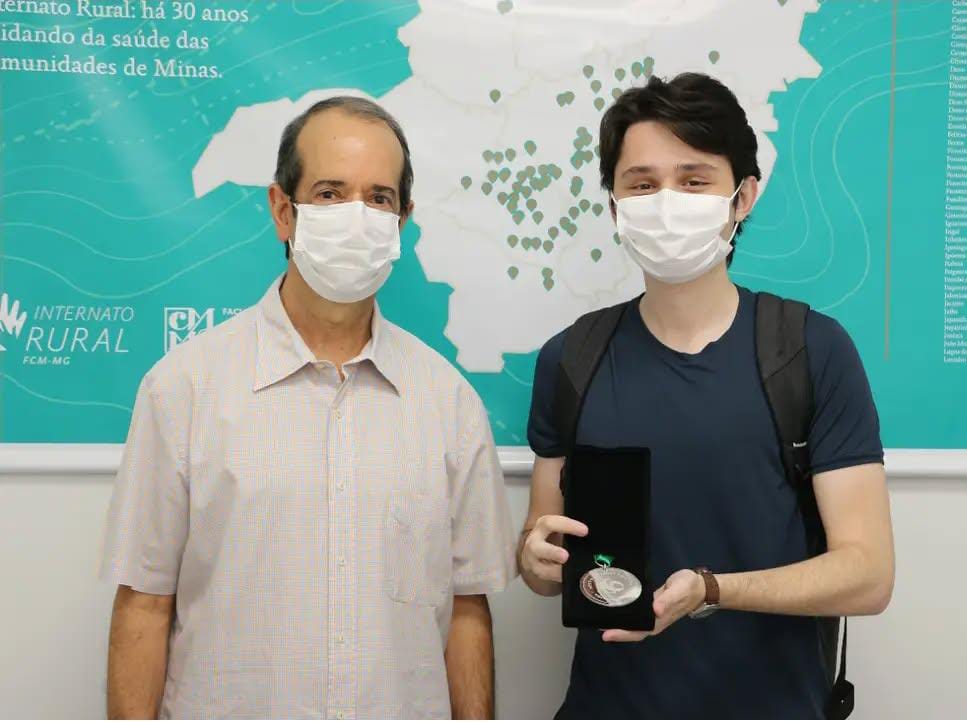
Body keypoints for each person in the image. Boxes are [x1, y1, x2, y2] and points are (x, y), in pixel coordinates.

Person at [102, 96, 517, 720]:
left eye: (379, 198)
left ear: (402, 220)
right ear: (282, 210)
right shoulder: (183, 388)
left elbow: (466, 609)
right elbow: (145, 601)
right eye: (329, 193)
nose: (356, 216)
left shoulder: (449, 402)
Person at [518, 73, 895, 719]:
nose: (667, 202)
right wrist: (535, 558)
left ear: (742, 196)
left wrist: (712, 590)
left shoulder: (809, 351)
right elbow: (541, 553)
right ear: (614, 206)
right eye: (642, 184)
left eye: (694, 181)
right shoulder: (571, 358)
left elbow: (867, 575)